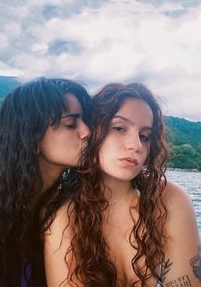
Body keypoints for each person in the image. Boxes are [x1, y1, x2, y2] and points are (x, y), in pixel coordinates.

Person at [44, 82, 200, 287]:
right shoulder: (64, 216)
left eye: (144, 136)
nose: (135, 145)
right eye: (119, 128)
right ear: (93, 131)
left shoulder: (169, 201)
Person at [0, 77, 91, 287]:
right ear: (31, 136)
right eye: (71, 124)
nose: (87, 132)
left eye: (86, 121)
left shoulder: (61, 210)